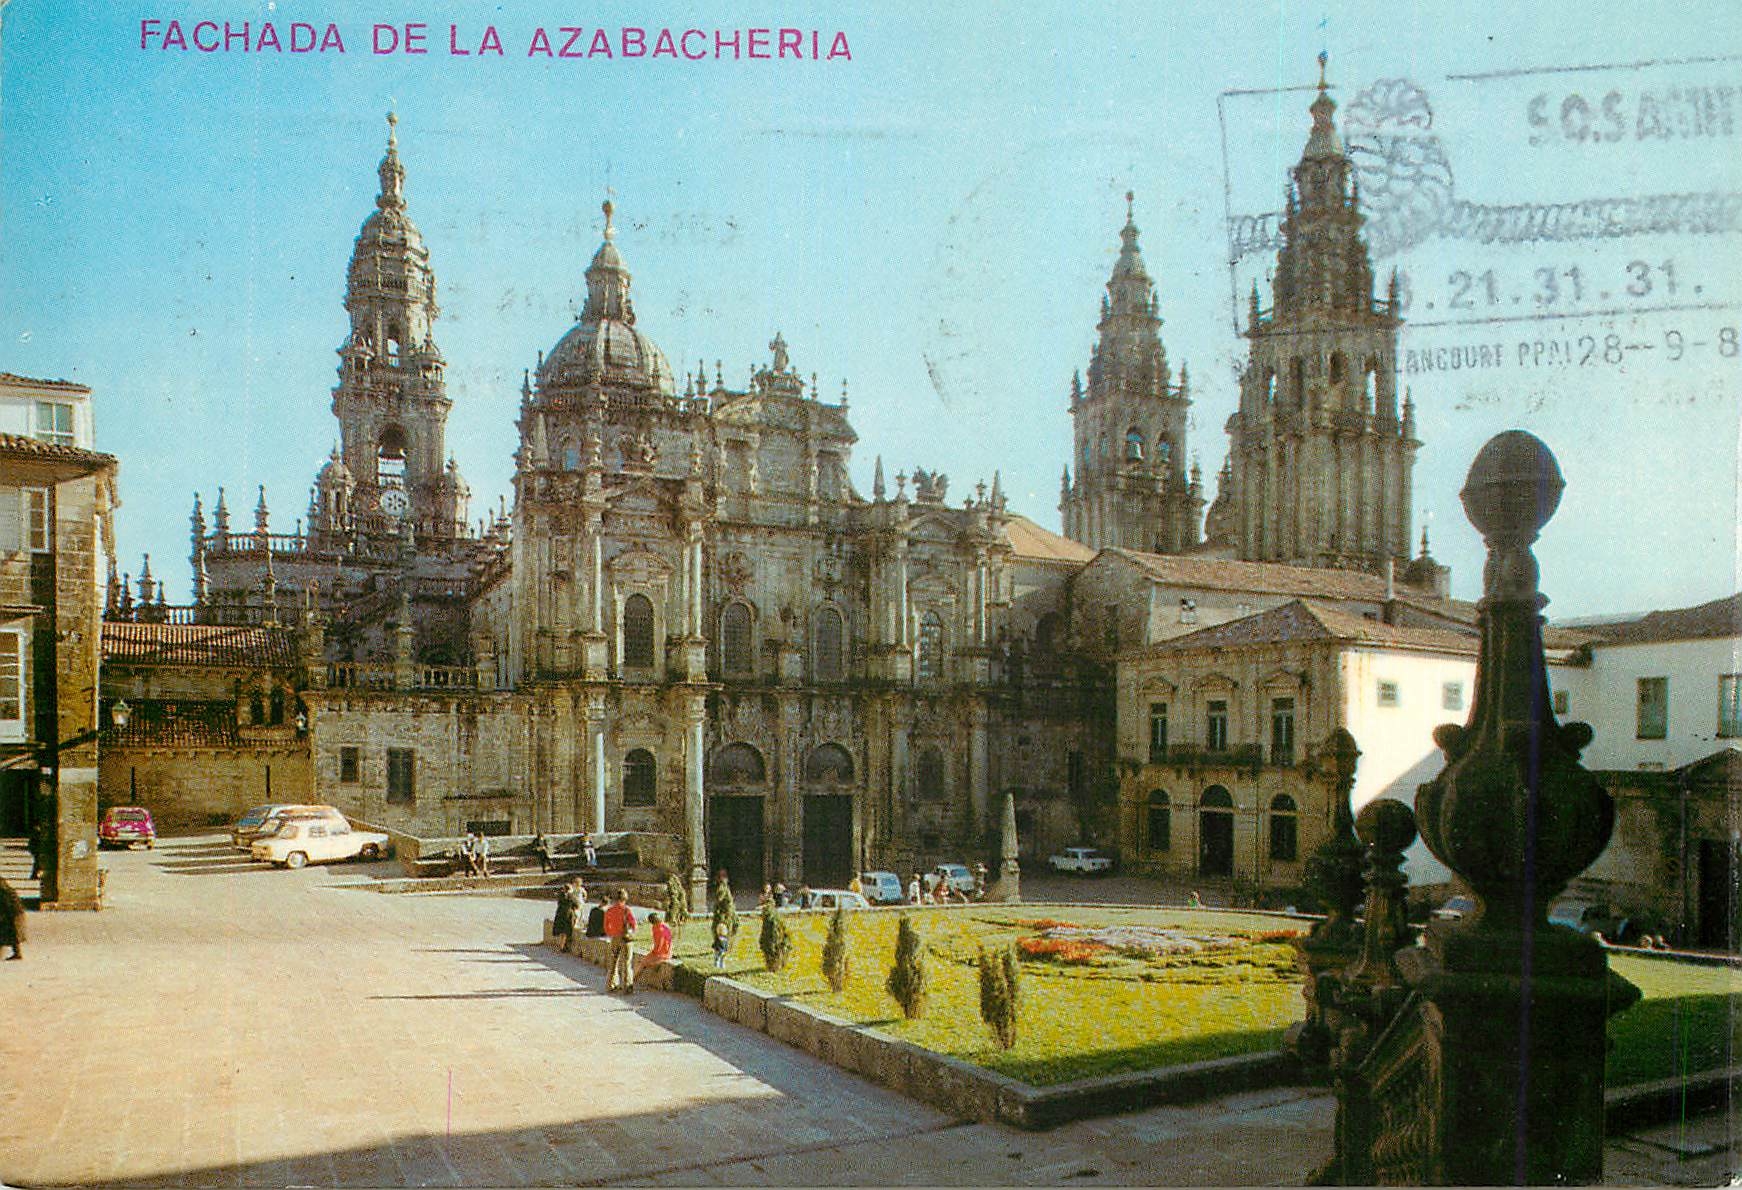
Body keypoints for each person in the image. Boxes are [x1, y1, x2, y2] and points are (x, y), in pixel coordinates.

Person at [604, 888, 636, 993]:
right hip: (625, 938)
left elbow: (606, 926)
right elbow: (633, 924)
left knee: (613, 962)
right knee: (626, 962)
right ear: (625, 898)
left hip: (614, 938)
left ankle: (611, 984)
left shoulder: (610, 910)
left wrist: (611, 933)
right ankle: (627, 985)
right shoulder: (626, 910)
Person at [632, 910, 673, 990]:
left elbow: (659, 945)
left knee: (642, 964)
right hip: (665, 952)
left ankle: (633, 981)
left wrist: (653, 952)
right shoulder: (663, 927)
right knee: (644, 962)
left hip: (662, 953)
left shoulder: (658, 929)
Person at [0, 875, 24, 960]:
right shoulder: (7, 890)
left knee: (9, 934)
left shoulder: (4, 892)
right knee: (10, 934)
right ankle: (17, 953)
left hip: (12, 914)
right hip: (12, 913)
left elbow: (8, 905)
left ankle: (17, 953)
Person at [553, 877, 580, 946]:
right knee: (566, 931)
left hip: (560, 913)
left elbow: (559, 903)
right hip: (568, 914)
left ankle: (560, 944)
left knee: (561, 930)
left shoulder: (561, 895)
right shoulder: (571, 896)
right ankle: (562, 945)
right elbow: (576, 905)